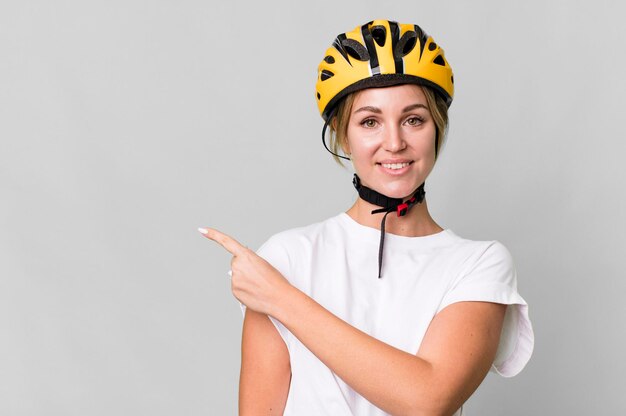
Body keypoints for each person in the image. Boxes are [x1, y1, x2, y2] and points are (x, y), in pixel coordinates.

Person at [199, 19, 534, 416]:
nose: (394, 142)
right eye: (370, 122)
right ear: (343, 135)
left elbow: (428, 399)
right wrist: (275, 287)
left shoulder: (479, 264)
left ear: (437, 128)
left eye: (413, 119)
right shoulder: (286, 257)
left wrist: (281, 298)